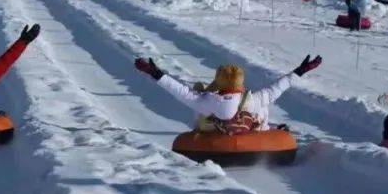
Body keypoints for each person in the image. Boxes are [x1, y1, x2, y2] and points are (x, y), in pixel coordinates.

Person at [134, 55, 323, 133]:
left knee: (195, 98)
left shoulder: (209, 101)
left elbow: (180, 92)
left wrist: (156, 73)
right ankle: (267, 130)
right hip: (247, 133)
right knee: (264, 104)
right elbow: (279, 87)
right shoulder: (251, 100)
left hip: (215, 135)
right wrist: (300, 70)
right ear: (240, 83)